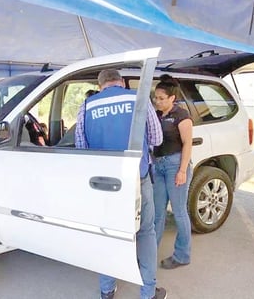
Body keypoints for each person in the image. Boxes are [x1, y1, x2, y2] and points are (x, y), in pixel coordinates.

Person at [75, 69, 167, 299]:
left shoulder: (87, 106)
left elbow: (81, 148)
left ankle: (107, 290)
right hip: (138, 178)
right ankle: (148, 292)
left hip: (104, 184)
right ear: (122, 82)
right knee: (145, 232)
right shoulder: (139, 98)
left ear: (100, 86)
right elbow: (157, 139)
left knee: (107, 233)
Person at [152, 74, 193, 269]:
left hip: (175, 165)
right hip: (158, 166)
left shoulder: (181, 115)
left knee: (178, 212)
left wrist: (182, 170)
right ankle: (149, 252)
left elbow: (187, 144)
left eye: (161, 98)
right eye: (155, 97)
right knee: (157, 213)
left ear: (172, 98)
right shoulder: (155, 114)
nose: (157, 101)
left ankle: (182, 255)